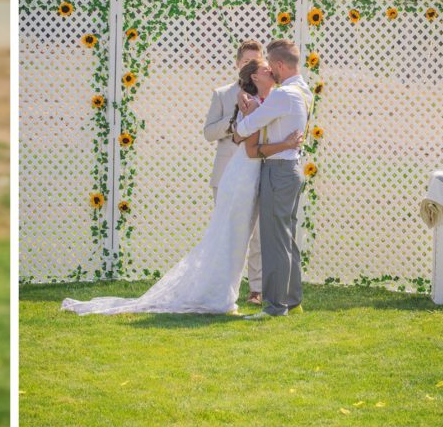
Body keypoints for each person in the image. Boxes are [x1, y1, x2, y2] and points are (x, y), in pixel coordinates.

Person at [61, 56, 302, 316]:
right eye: (266, 69)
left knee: (234, 237)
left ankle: (227, 292)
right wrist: (286, 145)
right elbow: (252, 149)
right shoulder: (253, 104)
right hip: (244, 177)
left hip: (250, 176)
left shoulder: (267, 100)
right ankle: (217, 295)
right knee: (231, 237)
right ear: (255, 77)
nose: (271, 71)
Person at [234, 39, 312, 319]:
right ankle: (292, 300)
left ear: (280, 65)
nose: (269, 69)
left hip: (277, 171)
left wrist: (246, 112)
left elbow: (246, 127)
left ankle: (274, 307)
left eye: (270, 64)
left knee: (274, 240)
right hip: (291, 170)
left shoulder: (283, 95)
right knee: (287, 239)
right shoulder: (304, 91)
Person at [204, 39, 264, 305]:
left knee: (259, 235)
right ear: (238, 64)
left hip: (257, 170)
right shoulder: (222, 94)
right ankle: (224, 287)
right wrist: (232, 123)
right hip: (227, 172)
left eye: (256, 62)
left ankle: (256, 289)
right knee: (227, 233)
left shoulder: (270, 93)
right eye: (246, 62)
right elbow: (208, 132)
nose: (250, 67)